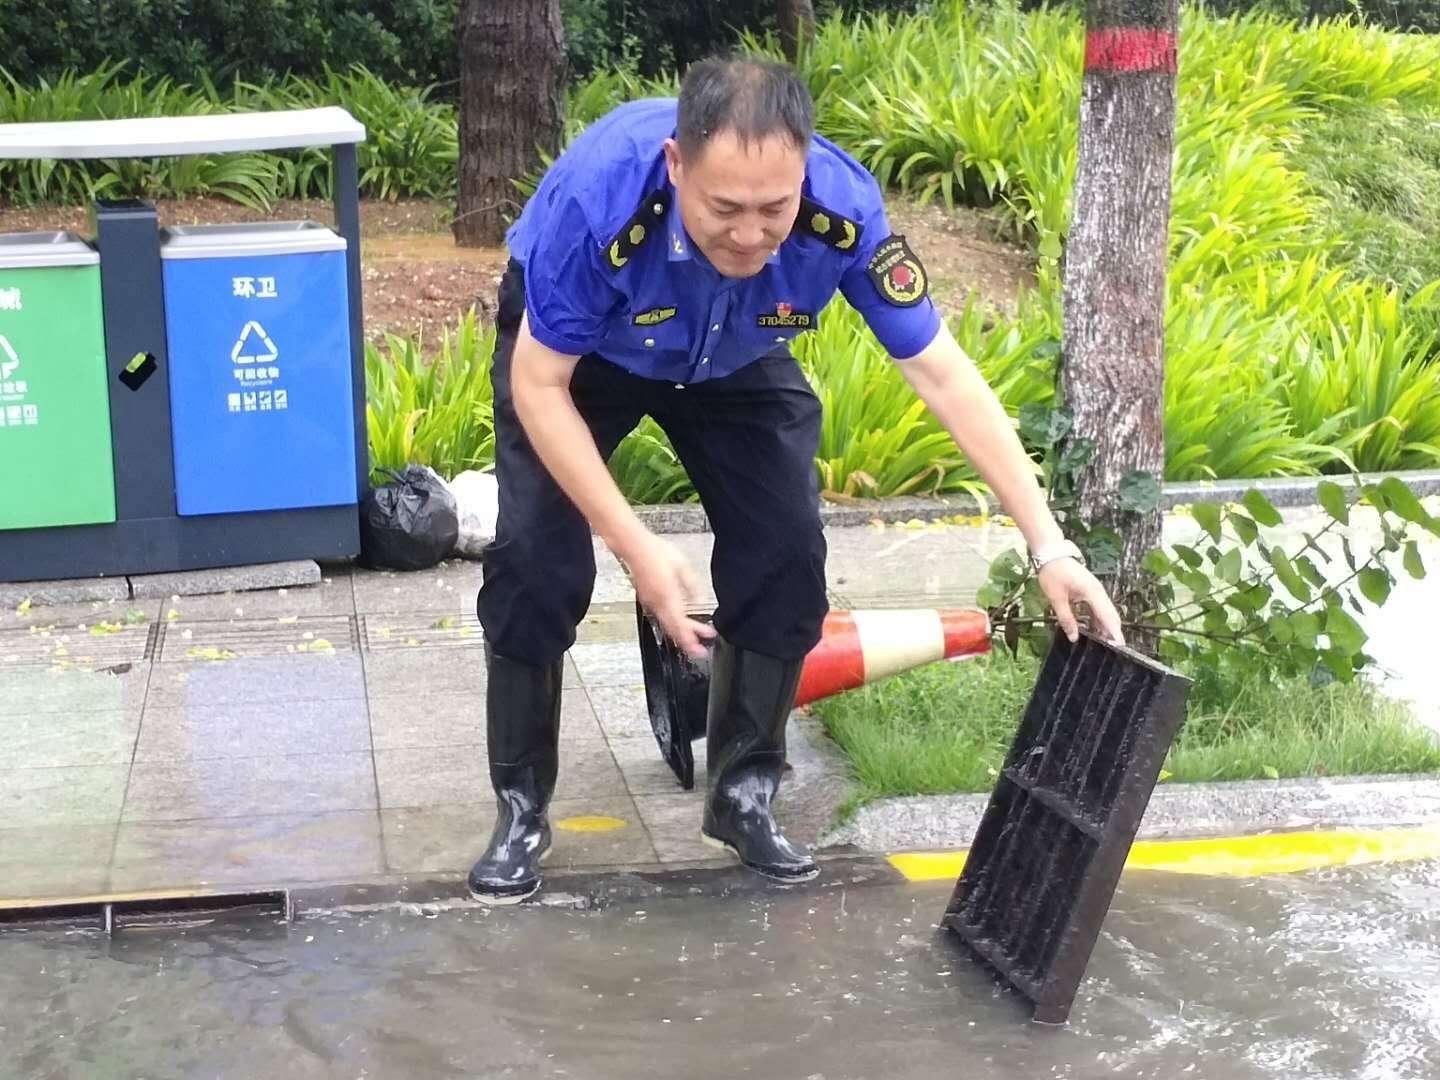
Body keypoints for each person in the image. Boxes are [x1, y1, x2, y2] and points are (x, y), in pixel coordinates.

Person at [470, 56, 1124, 905]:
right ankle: (521, 807)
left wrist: (1049, 543)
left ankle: (744, 793)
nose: (750, 235)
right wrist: (637, 548)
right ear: (676, 165)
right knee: (535, 563)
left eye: (774, 210)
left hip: (734, 355)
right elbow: (539, 387)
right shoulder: (600, 207)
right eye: (724, 210)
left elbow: (943, 374)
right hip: (582, 357)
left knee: (786, 552)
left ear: (805, 172)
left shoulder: (844, 214)